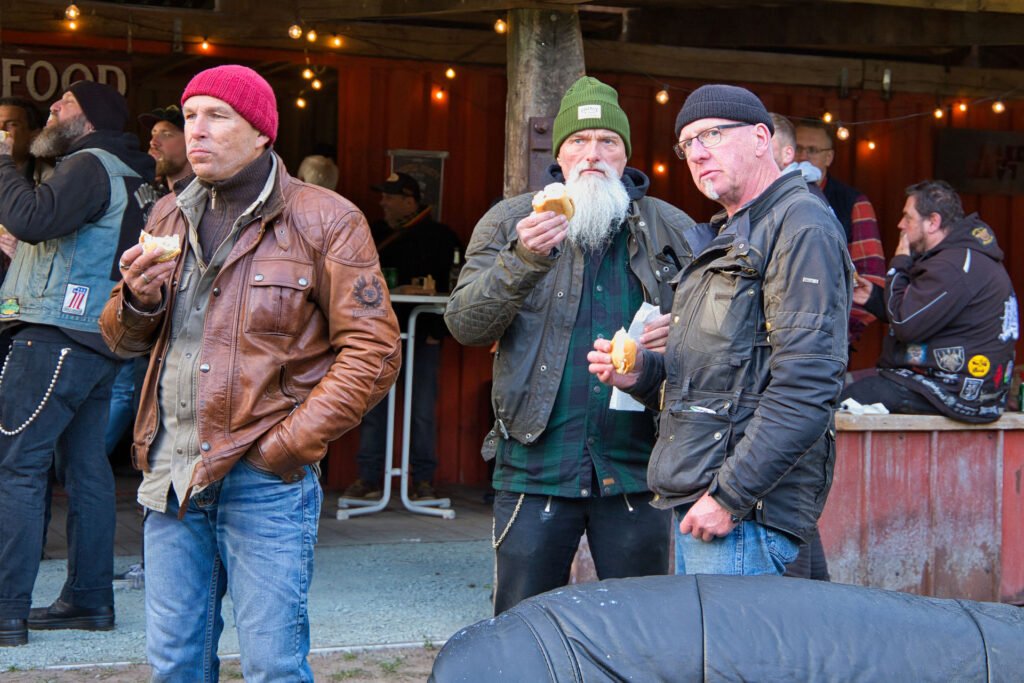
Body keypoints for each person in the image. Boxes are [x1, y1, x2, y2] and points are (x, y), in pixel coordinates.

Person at [98, 64, 401, 680]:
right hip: (172, 471)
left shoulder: (326, 218)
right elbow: (122, 339)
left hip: (264, 479)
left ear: (262, 131)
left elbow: (374, 352)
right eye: (190, 116)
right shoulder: (166, 214)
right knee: (174, 664)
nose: (197, 130)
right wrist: (138, 299)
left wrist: (285, 447)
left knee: (273, 667)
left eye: (218, 116)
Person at [446, 76, 695, 615]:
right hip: (535, 464)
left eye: (607, 141)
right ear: (558, 155)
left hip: (638, 465)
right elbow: (466, 326)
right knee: (524, 629)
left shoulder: (672, 228)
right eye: (578, 141)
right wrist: (522, 260)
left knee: (642, 634)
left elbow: (715, 341)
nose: (592, 154)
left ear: (626, 155)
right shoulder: (510, 221)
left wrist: (680, 333)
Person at [591, 84, 851, 577]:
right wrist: (643, 375)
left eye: (712, 134)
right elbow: (721, 381)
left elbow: (807, 385)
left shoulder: (801, 225)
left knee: (731, 633)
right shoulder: (732, 231)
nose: (697, 153)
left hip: (744, 516)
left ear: (761, 138)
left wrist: (729, 497)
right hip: (708, 499)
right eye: (687, 143)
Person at [0, 81, 155, 647]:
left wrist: (1, 164)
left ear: (87, 118)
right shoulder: (133, 173)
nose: (51, 110)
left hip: (54, 335)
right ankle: (89, 599)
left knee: (16, 467)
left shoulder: (89, 164)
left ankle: (6, 610)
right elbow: (66, 237)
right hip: (98, 335)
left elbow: (32, 218)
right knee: (86, 470)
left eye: (62, 104)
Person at [842, 180, 1017, 421]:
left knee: (849, 399)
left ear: (933, 222)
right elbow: (922, 314)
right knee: (846, 387)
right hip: (961, 387)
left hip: (957, 391)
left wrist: (899, 264)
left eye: (908, 217)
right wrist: (873, 298)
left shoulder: (953, 265)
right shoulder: (959, 257)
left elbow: (906, 325)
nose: (900, 224)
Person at [344, 171, 460, 501]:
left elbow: (456, 286)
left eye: (390, 197)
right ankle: (369, 478)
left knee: (421, 411)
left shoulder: (441, 237)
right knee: (373, 407)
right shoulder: (375, 232)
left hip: (424, 334)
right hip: (379, 336)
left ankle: (422, 480)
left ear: (410, 201)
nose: (382, 202)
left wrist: (438, 331)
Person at [768, 111, 832, 582]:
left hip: (788, 394)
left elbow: (807, 354)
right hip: (777, 406)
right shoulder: (766, 212)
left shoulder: (805, 214)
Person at [795, 119, 885, 344]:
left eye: (812, 150)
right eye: (797, 148)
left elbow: (870, 278)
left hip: (827, 338)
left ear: (829, 157)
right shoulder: (768, 196)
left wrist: (838, 333)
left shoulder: (854, 202)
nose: (802, 156)